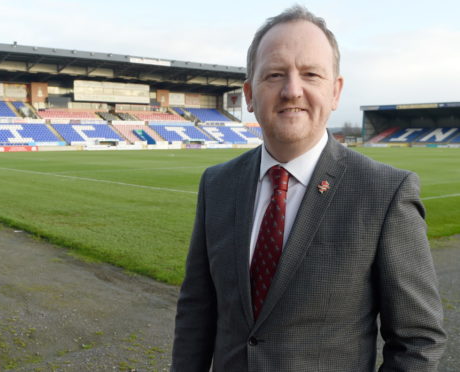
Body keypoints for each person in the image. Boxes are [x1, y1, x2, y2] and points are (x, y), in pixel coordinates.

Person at [171, 5, 446, 371]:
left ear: (335, 91)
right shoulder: (217, 185)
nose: (292, 90)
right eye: (275, 74)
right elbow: (196, 312)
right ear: (250, 94)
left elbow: (419, 341)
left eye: (311, 74)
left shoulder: (384, 194)